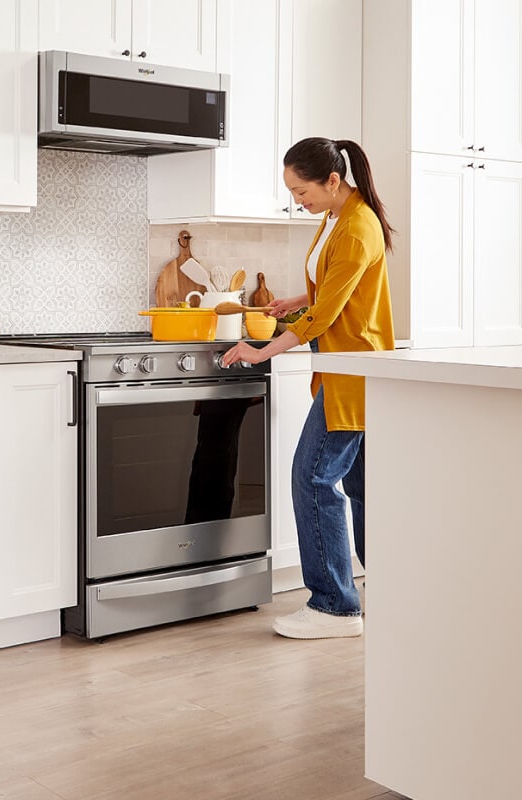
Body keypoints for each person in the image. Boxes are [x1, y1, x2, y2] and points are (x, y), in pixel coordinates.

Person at [222, 137, 396, 639]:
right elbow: (335, 286)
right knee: (361, 487)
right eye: (293, 192)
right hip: (347, 368)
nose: (299, 200)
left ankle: (334, 606)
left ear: (332, 181)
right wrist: (294, 302)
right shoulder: (339, 217)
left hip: (354, 371)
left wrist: (264, 349)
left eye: (302, 191)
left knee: (313, 477)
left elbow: (330, 312)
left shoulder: (358, 226)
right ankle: (388, 591)